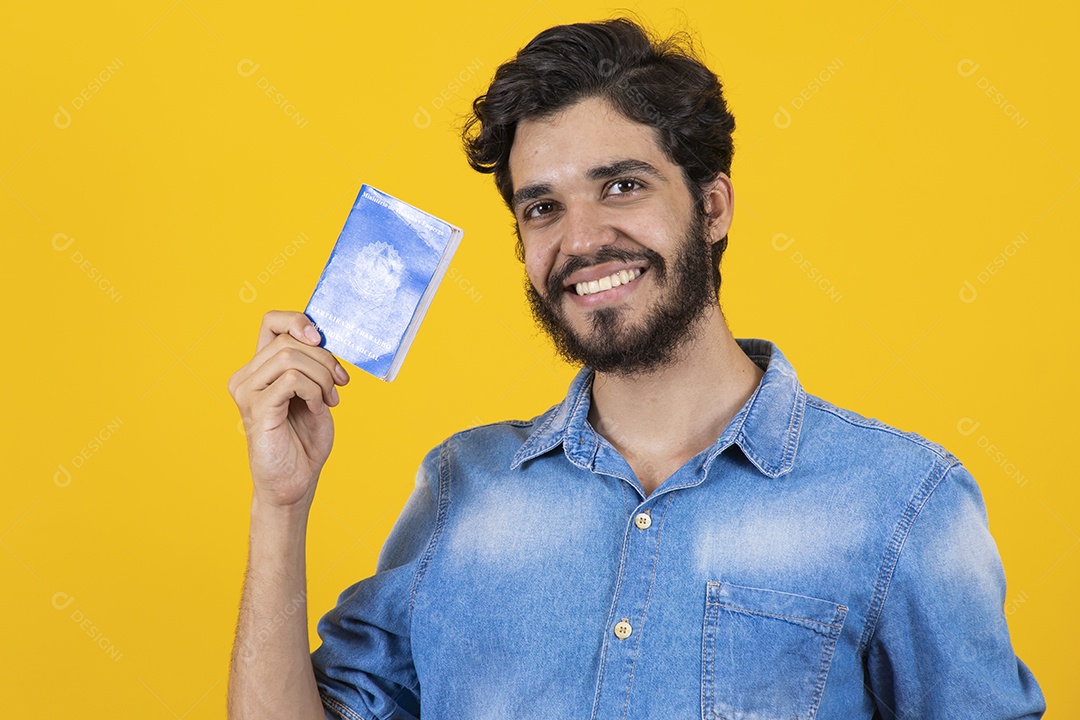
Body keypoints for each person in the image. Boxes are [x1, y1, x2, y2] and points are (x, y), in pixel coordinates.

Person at [226, 18, 1046, 720]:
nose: (581, 239)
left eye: (621, 186)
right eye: (542, 207)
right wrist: (280, 505)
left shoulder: (903, 501)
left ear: (712, 207)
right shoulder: (459, 490)